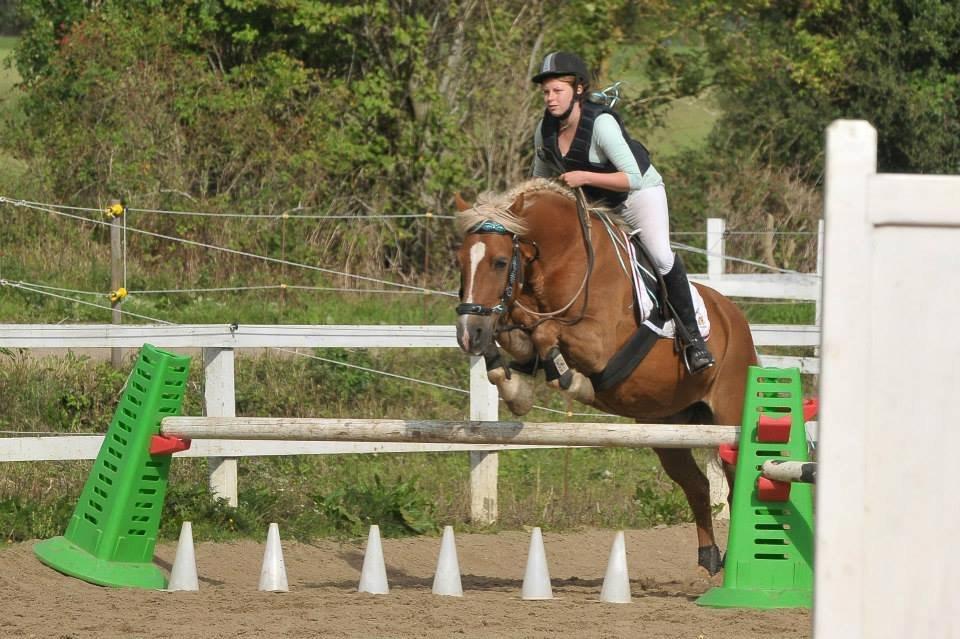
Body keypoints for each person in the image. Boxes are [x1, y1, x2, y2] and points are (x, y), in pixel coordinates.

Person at [530, 51, 714, 374]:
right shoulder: (544, 132)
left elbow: (632, 177)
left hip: (637, 196)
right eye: (546, 92)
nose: (550, 98)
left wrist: (584, 177)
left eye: (557, 90)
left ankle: (694, 339)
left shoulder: (600, 124)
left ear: (579, 90)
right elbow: (537, 184)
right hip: (598, 204)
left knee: (659, 255)